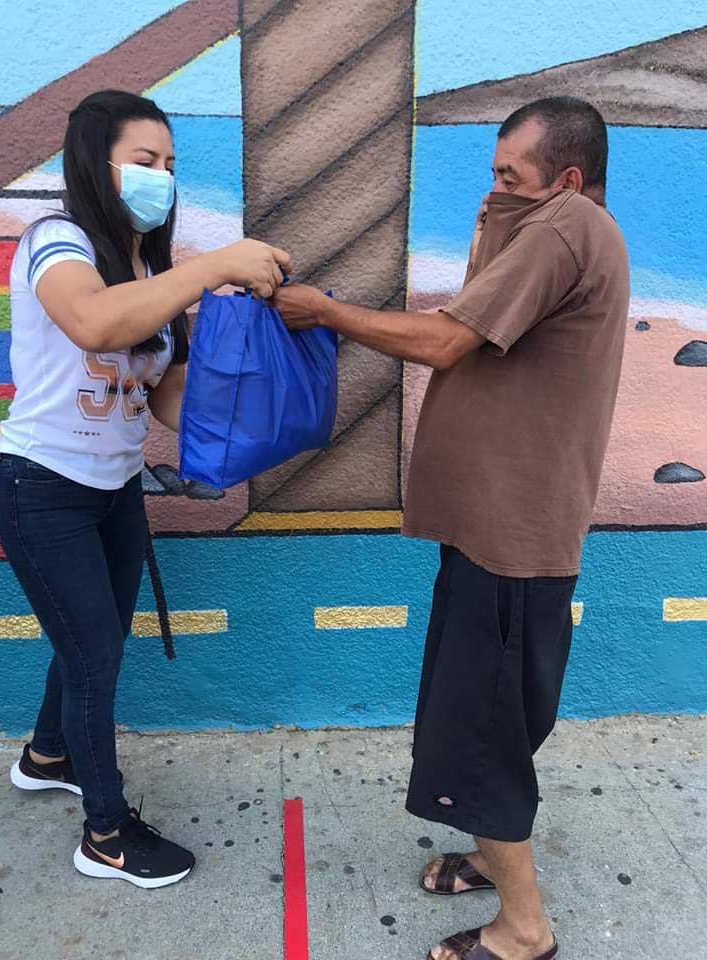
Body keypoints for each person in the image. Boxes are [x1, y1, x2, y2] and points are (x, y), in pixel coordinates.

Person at [272, 97, 629, 960]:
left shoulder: (567, 227)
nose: (495, 188)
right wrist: (498, 219)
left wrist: (324, 310)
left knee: (482, 732)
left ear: (569, 179)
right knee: (491, 714)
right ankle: (485, 853)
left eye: (511, 176)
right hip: (496, 535)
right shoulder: (556, 231)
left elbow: (442, 340)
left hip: (511, 542)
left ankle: (524, 929)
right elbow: (484, 310)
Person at [0, 89, 290, 889]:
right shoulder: (55, 244)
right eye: (145, 161)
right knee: (94, 657)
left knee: (92, 640)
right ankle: (106, 836)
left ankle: (48, 754)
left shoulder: (151, 268)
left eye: (169, 164)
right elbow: (93, 326)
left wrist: (258, 368)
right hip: (42, 489)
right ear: (100, 163)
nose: (161, 177)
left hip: (114, 489)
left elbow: (164, 394)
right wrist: (215, 264)